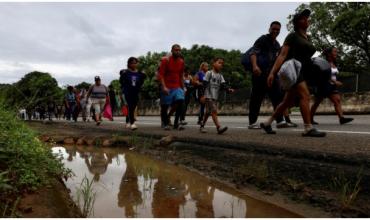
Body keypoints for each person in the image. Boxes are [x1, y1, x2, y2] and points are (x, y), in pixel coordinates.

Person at [261, 9, 326, 137]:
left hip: (304, 71)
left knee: (287, 102)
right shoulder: (292, 36)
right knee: (305, 96)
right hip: (294, 70)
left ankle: (267, 123)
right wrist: (272, 73)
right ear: (297, 23)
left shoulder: (308, 37)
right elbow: (282, 55)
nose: (306, 20)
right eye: (303, 18)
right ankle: (308, 128)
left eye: (307, 18)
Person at [248, 21, 296, 129]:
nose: (275, 31)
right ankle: (252, 122)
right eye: (273, 29)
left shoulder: (277, 44)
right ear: (269, 29)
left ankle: (279, 121)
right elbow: (253, 53)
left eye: (277, 30)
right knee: (256, 98)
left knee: (277, 97)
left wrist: (276, 73)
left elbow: (277, 60)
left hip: (271, 74)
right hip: (259, 74)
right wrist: (255, 66)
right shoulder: (263, 39)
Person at [310, 47, 354, 125]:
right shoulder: (323, 63)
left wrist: (335, 81)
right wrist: (334, 81)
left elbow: (334, 74)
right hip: (323, 86)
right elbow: (323, 75)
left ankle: (341, 118)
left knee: (337, 100)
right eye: (334, 52)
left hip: (332, 86)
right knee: (317, 102)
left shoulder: (334, 63)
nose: (336, 53)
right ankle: (309, 119)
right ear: (329, 54)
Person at [199, 57, 234, 134]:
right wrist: (202, 95)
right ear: (214, 63)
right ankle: (218, 127)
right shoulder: (209, 73)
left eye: (222, 64)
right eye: (219, 63)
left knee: (208, 112)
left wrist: (228, 90)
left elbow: (223, 85)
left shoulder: (220, 76)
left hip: (215, 97)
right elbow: (204, 85)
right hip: (208, 96)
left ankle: (202, 125)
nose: (221, 65)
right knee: (214, 110)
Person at [158, 44, 186, 130]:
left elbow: (181, 76)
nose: (178, 51)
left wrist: (183, 87)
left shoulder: (181, 62)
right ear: (172, 51)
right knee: (165, 106)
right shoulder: (165, 61)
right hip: (167, 86)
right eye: (176, 50)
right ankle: (165, 123)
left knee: (181, 102)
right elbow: (161, 75)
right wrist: (164, 87)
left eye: (179, 50)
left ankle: (176, 123)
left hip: (177, 86)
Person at [120, 57, 146, 130]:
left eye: (135, 63)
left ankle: (128, 121)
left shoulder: (139, 73)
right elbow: (121, 82)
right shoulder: (125, 73)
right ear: (129, 64)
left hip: (136, 92)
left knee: (133, 107)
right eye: (132, 63)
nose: (134, 64)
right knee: (130, 107)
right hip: (128, 92)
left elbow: (141, 81)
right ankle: (132, 123)